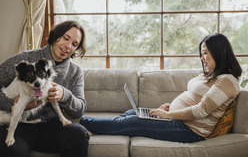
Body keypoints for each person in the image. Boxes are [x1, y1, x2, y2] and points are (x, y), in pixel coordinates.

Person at [80, 33, 242, 143]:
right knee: (131, 113)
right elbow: (194, 97)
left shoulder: (227, 81)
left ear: (219, 52)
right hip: (178, 120)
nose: (202, 58)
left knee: (132, 120)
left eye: (205, 53)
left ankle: (78, 122)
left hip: (190, 130)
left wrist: (168, 114)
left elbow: (201, 110)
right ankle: (101, 130)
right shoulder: (212, 74)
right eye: (201, 53)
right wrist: (170, 107)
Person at [0, 20, 89, 157]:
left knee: (79, 134)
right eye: (66, 38)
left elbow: (80, 110)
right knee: (12, 149)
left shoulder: (75, 72)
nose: (68, 46)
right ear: (55, 35)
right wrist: (11, 103)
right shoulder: (25, 58)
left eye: (74, 44)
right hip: (18, 125)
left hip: (50, 126)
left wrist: (65, 95)